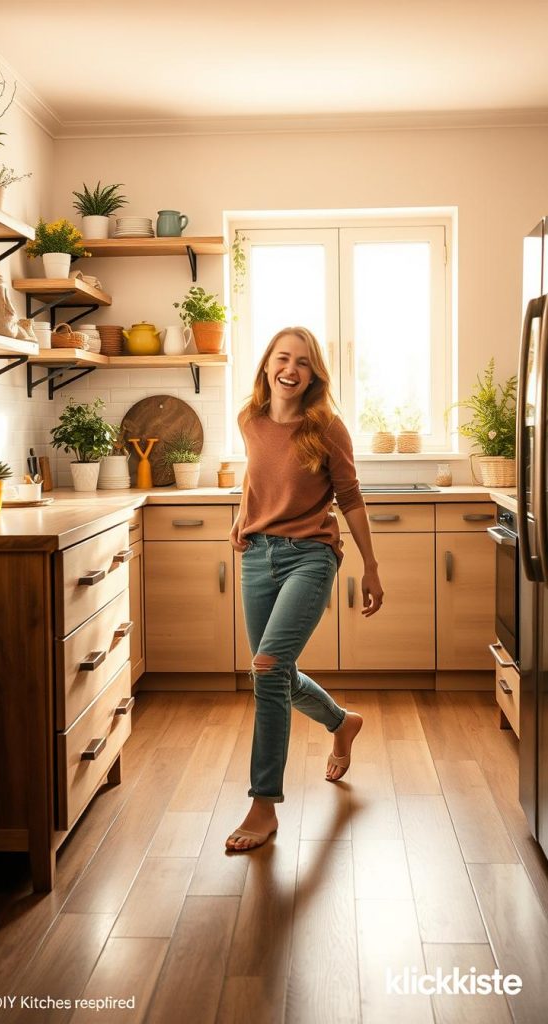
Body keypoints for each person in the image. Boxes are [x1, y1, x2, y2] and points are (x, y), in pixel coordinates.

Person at [226, 326, 384, 852]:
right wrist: (242, 516)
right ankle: (342, 723)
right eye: (282, 358)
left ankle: (263, 804)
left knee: (267, 670)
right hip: (256, 556)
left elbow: (352, 499)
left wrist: (372, 567)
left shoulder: (327, 428)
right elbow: (256, 477)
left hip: (311, 556)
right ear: (267, 363)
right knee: (276, 672)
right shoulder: (249, 419)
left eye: (304, 363)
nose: (291, 370)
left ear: (315, 374)